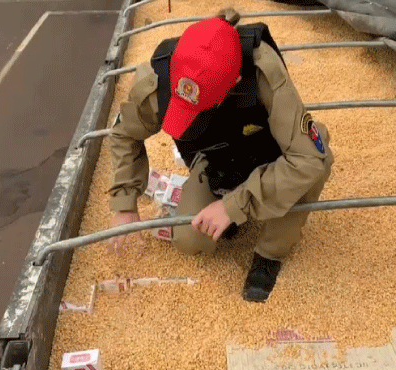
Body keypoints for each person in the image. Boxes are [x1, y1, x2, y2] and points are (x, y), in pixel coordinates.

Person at [106, 8, 334, 302]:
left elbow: (307, 158)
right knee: (190, 240)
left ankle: (270, 252)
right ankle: (231, 210)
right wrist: (124, 203)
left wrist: (233, 206)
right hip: (217, 157)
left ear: (235, 82)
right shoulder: (157, 80)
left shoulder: (263, 72)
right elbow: (125, 134)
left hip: (269, 152)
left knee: (319, 160)